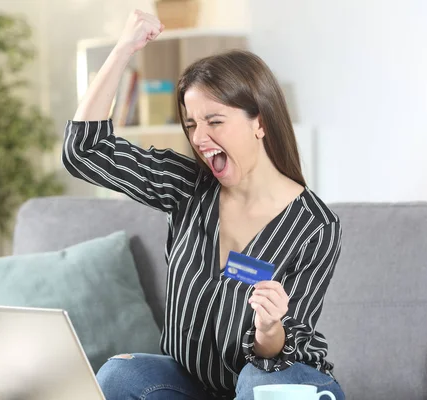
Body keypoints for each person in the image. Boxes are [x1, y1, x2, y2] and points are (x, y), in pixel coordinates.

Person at [62, 9, 345, 400]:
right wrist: (123, 49)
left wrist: (268, 330)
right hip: (193, 385)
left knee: (255, 383)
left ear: (258, 122)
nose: (199, 137)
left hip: (275, 378)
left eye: (215, 121)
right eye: (192, 124)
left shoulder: (314, 226)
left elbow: (282, 351)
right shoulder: (188, 187)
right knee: (121, 375)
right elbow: (84, 151)